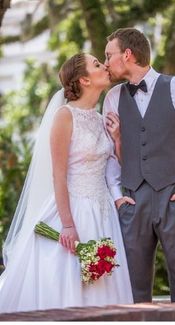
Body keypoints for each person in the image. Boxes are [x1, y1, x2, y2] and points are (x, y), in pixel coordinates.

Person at [0, 53, 133, 312]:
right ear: (84, 79)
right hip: (72, 211)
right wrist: (68, 224)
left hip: (103, 212)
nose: (104, 65)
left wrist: (117, 139)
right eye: (97, 64)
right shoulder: (64, 116)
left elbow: (117, 167)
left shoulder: (100, 118)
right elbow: (58, 175)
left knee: (105, 284)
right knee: (70, 284)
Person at [102, 27, 175, 303]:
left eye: (109, 55)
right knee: (131, 290)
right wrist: (118, 198)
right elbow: (108, 155)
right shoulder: (112, 98)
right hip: (131, 200)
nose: (105, 63)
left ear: (127, 55)